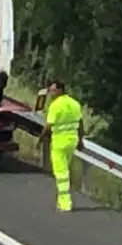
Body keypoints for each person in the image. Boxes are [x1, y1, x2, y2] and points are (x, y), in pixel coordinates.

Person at [37, 81, 84, 212]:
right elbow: (80, 124)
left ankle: (65, 203)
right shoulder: (75, 104)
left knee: (61, 173)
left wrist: (41, 139)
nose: (51, 93)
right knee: (65, 169)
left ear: (60, 90)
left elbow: (48, 125)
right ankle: (60, 201)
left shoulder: (55, 105)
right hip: (72, 141)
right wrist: (81, 141)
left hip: (59, 142)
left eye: (53, 90)